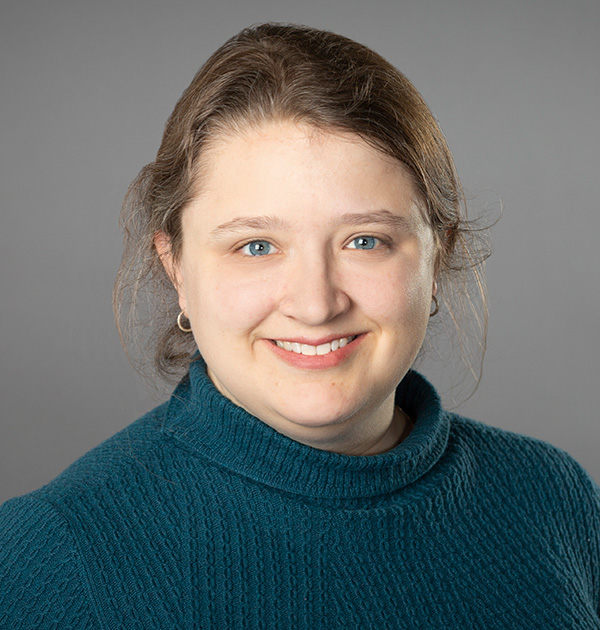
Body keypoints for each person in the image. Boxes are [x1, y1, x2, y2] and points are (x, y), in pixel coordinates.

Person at [1, 22, 598, 629]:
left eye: (365, 241)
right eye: (256, 246)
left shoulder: (554, 497)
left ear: (436, 258)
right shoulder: (51, 552)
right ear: (176, 266)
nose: (315, 305)